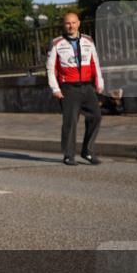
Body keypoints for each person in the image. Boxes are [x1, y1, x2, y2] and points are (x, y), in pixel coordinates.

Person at [46, 12, 104, 166]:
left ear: (79, 23)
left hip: (87, 86)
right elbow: (50, 69)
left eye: (73, 22)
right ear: (63, 25)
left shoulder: (88, 41)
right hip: (68, 88)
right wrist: (55, 88)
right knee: (70, 122)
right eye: (67, 23)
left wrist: (99, 82)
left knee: (96, 116)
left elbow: (95, 63)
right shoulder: (56, 43)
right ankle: (68, 154)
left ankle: (87, 151)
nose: (70, 26)